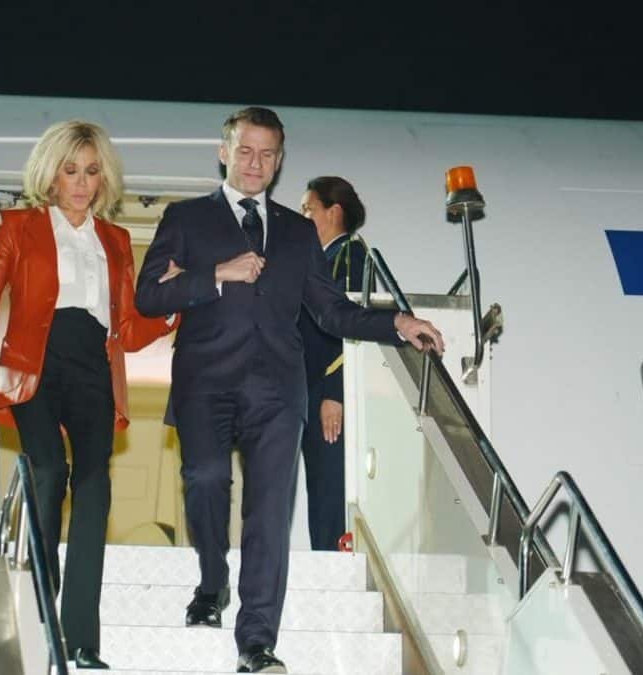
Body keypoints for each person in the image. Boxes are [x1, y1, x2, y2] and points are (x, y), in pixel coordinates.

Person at [134, 107, 444, 674]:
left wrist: (397, 323)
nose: (256, 163)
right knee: (206, 481)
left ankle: (256, 641)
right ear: (224, 153)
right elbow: (148, 296)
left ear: (279, 161)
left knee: (270, 512)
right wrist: (216, 274)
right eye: (245, 151)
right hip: (205, 382)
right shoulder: (186, 218)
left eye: (268, 154)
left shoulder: (299, 232)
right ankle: (212, 581)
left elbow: (331, 311)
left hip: (277, 390)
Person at [0, 120, 177, 670]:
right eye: (70, 171)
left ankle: (82, 639)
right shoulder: (18, 225)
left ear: (104, 178)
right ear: (51, 174)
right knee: (47, 471)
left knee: (94, 487)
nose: (81, 183)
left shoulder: (115, 241)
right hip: (34, 366)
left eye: (91, 172)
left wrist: (172, 308)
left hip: (93, 367)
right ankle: (40, 593)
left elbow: (127, 328)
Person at [297, 176, 367, 551]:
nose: (303, 216)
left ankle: (333, 561)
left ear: (333, 212)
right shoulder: (319, 261)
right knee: (319, 486)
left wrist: (334, 392)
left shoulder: (349, 257)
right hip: (309, 389)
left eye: (308, 209)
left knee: (330, 486)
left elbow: (351, 327)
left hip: (327, 391)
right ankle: (324, 557)